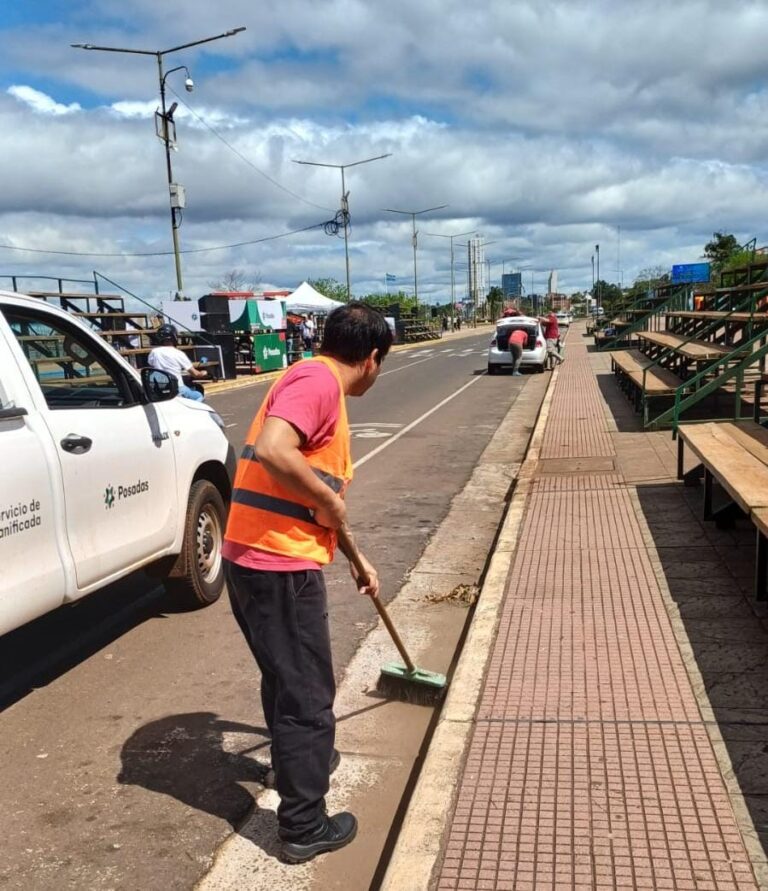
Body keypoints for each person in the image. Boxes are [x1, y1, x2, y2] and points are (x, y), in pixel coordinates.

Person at [222, 302, 392, 864]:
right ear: (371, 358)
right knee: (308, 697)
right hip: (278, 567)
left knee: (284, 679)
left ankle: (295, 765)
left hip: (254, 558)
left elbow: (319, 504)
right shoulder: (318, 382)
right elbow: (277, 453)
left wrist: (357, 558)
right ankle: (303, 825)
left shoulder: (312, 382)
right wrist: (326, 501)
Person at [147, 323, 208, 402]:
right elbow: (196, 374)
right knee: (198, 396)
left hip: (160, 388)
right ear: (174, 337)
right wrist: (204, 372)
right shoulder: (179, 353)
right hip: (177, 389)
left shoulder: (154, 352)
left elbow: (152, 365)